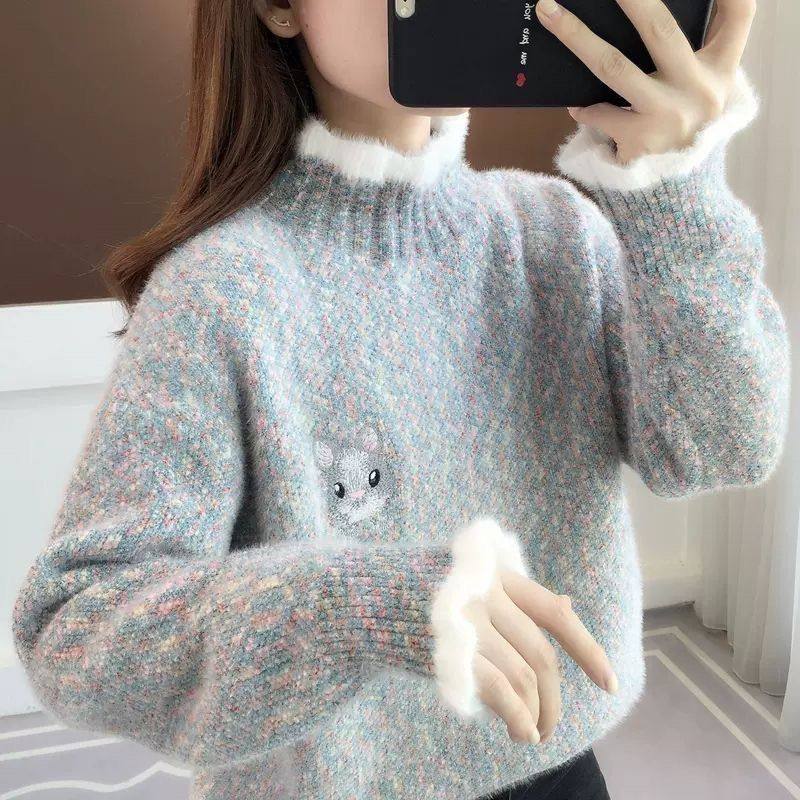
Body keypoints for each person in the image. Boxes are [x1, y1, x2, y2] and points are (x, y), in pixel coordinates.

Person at [11, 1, 789, 798]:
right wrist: (362, 606)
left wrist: (677, 189)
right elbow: (75, 633)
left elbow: (724, 448)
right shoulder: (222, 292)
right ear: (279, 8)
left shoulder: (555, 234)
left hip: (555, 767)